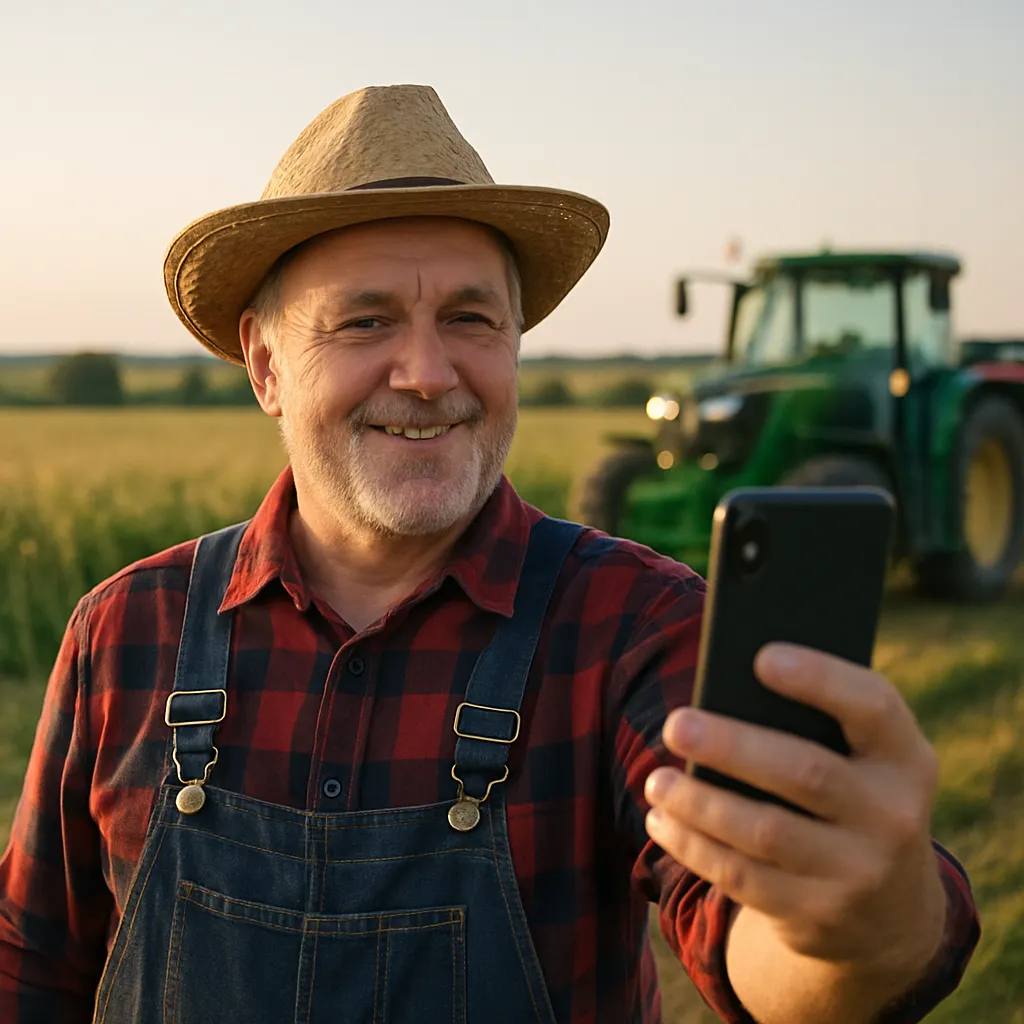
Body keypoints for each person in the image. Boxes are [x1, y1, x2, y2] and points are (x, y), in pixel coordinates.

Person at [0, 84, 979, 1024]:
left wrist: (859, 923)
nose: (428, 374)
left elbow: (752, 943)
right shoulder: (127, 630)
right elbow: (31, 958)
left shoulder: (635, 627)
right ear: (265, 365)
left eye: (470, 319)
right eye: (365, 319)